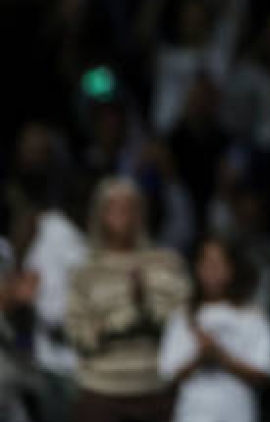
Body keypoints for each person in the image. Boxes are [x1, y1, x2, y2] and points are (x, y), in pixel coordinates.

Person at [65, 176, 190, 422]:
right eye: (113, 206)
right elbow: (78, 335)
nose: (122, 214)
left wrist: (146, 308)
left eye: (129, 207)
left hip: (155, 390)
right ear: (99, 214)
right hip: (101, 392)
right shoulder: (85, 271)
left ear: (141, 213)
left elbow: (184, 326)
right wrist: (123, 320)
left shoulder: (166, 263)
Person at [158, 234, 270, 422]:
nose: (211, 271)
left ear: (233, 269)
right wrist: (200, 357)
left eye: (218, 264)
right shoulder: (184, 314)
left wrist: (221, 357)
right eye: (205, 263)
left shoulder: (252, 315)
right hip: (192, 415)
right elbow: (168, 374)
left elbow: (263, 373)